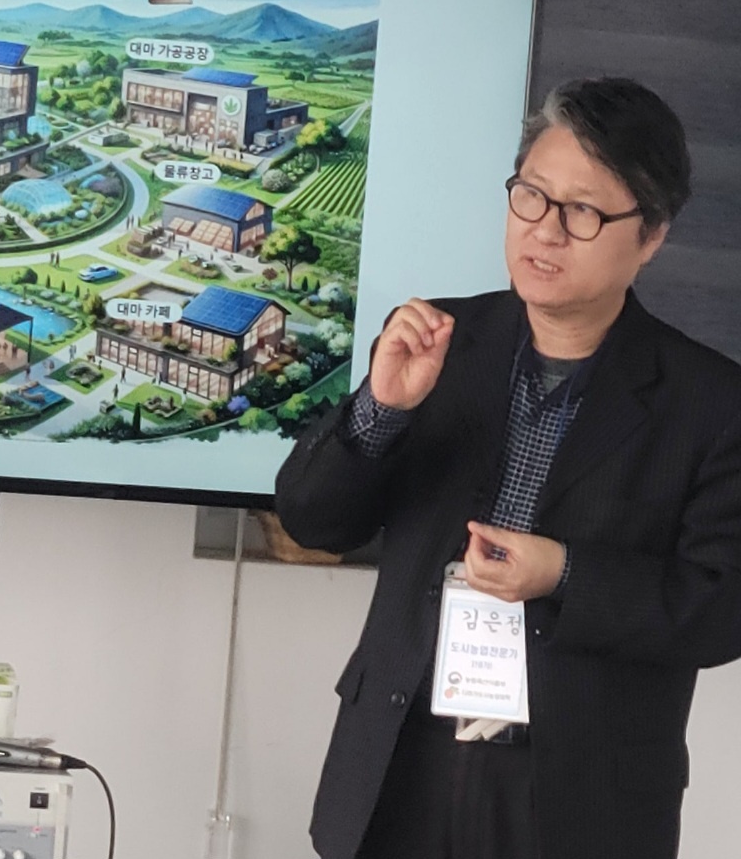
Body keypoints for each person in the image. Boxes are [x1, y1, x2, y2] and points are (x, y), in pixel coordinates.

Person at [274, 78, 741, 859]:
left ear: (651, 235)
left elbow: (720, 608)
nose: (544, 231)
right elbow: (312, 518)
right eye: (531, 195)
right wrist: (382, 410)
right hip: (403, 763)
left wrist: (565, 574)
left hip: (579, 795)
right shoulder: (436, 341)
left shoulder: (710, 402)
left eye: (582, 211)